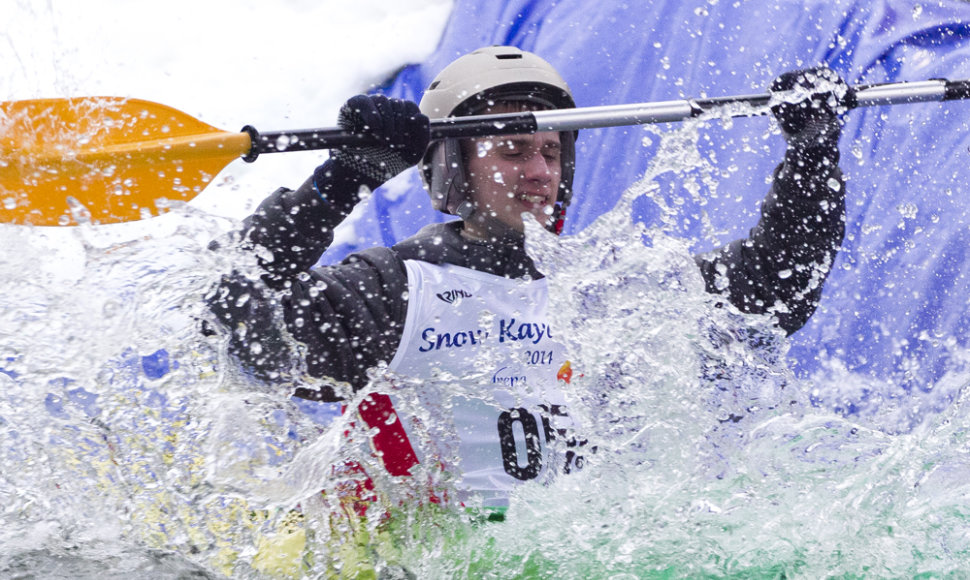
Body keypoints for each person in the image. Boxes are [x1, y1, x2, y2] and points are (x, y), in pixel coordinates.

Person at [207, 46, 849, 510]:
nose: (539, 171)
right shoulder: (394, 288)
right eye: (512, 150)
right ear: (454, 170)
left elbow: (778, 289)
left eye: (549, 150)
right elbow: (239, 320)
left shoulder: (616, 283)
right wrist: (342, 180)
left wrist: (812, 151)